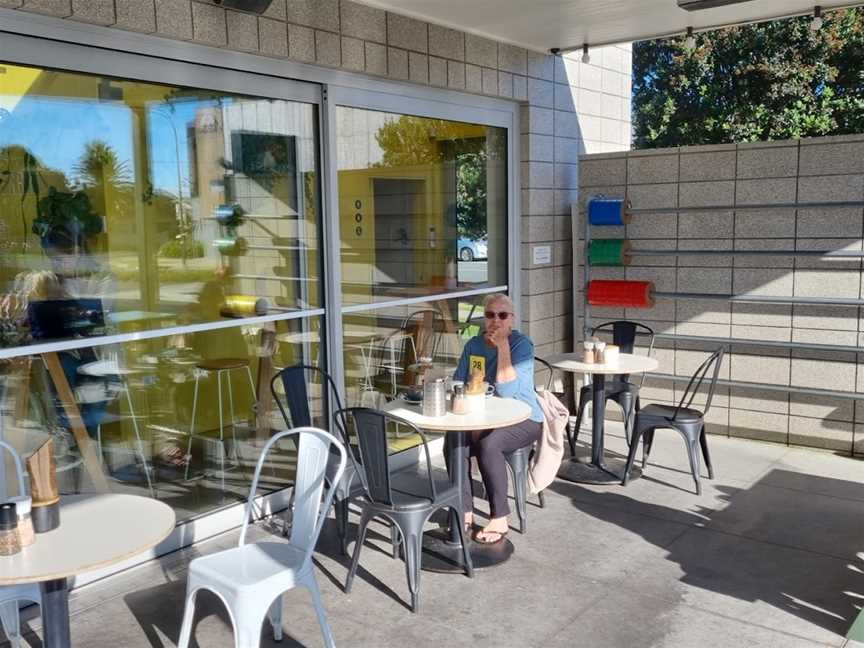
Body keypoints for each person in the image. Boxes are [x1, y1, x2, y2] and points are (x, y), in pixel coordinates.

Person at [452, 293, 544, 544]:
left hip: (524, 418)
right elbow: (458, 380)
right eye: (490, 315)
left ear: (512, 319)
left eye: (502, 315)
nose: (496, 320)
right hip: (483, 416)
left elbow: (508, 392)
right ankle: (464, 509)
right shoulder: (473, 345)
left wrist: (502, 346)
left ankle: (500, 517)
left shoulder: (522, 345)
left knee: (489, 443)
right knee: (454, 439)